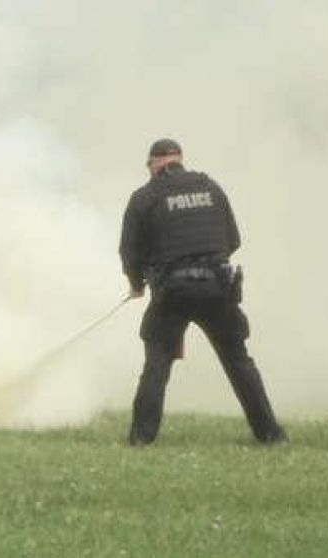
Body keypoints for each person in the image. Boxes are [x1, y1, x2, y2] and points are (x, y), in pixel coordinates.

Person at [119, 138, 286, 446]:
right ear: (179, 159)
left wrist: (137, 284)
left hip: (172, 293)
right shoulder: (211, 188)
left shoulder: (145, 197)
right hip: (217, 289)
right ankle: (271, 435)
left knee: (156, 364)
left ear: (155, 163)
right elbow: (232, 240)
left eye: (149, 166)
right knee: (239, 362)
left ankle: (141, 438)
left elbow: (129, 251)